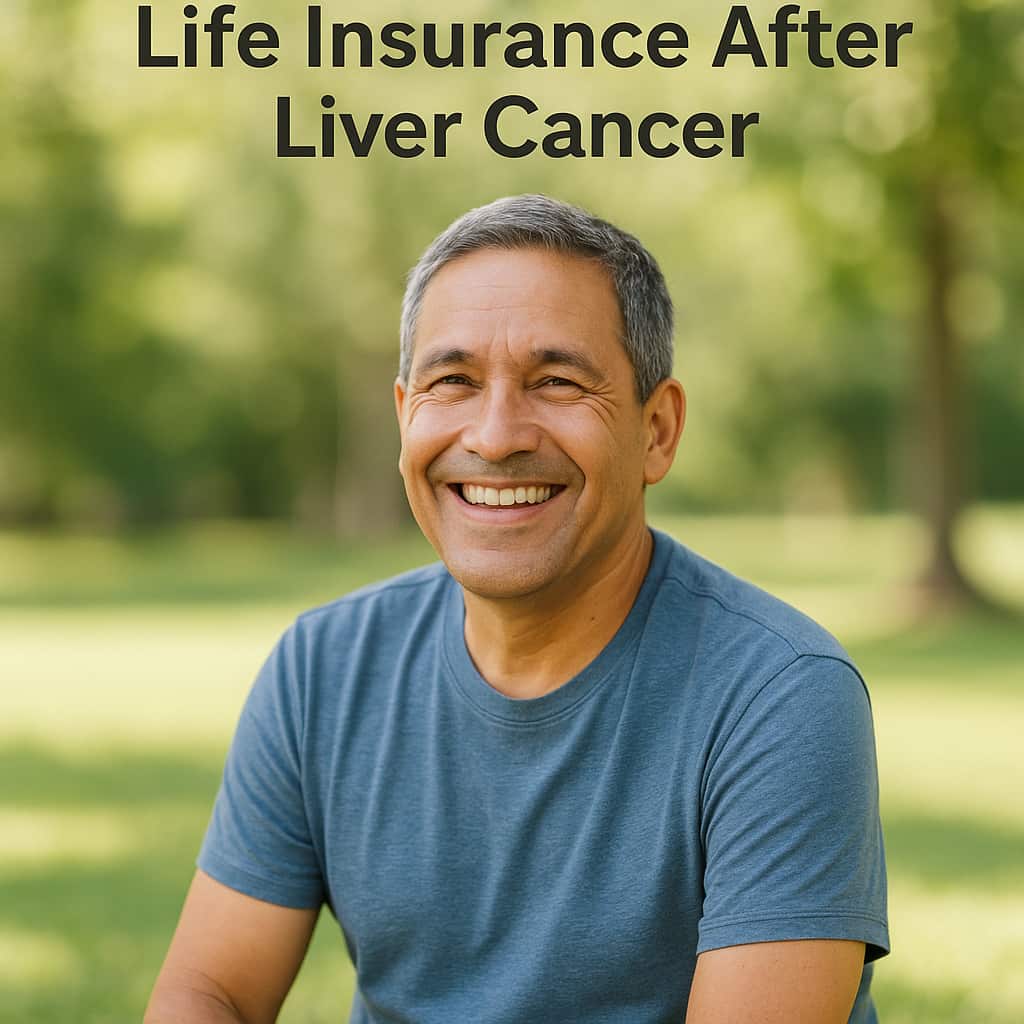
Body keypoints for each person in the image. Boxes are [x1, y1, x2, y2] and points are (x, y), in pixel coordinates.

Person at [145, 194, 889, 1023]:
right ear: (405, 418)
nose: (496, 435)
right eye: (453, 381)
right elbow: (209, 993)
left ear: (657, 431)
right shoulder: (324, 667)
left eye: (558, 381)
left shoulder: (779, 694)